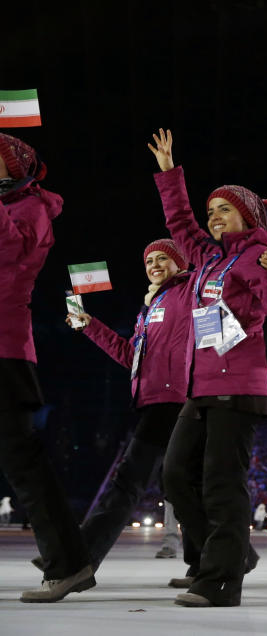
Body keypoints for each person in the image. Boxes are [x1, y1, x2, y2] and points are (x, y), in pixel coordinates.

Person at [149, 129, 267, 607]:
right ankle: (233, 552)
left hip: (239, 384)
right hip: (201, 386)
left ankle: (220, 580)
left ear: (247, 214)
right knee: (174, 475)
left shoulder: (256, 255)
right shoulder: (208, 258)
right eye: (211, 212)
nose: (213, 218)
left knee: (220, 483)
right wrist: (170, 173)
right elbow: (180, 224)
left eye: (223, 210)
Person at [0, 132, 95, 603]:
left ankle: (68, 563)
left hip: (4, 352)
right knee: (25, 465)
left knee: (25, 466)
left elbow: (9, 257)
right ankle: (71, 561)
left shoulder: (32, 209)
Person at [64, 239, 194, 574]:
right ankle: (222, 557)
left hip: (173, 399)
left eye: (163, 258)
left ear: (180, 264)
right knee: (182, 485)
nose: (153, 264)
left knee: (128, 482)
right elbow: (128, 355)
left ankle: (79, 557)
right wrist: (89, 324)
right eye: (149, 260)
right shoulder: (149, 309)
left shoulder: (186, 292)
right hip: (152, 399)